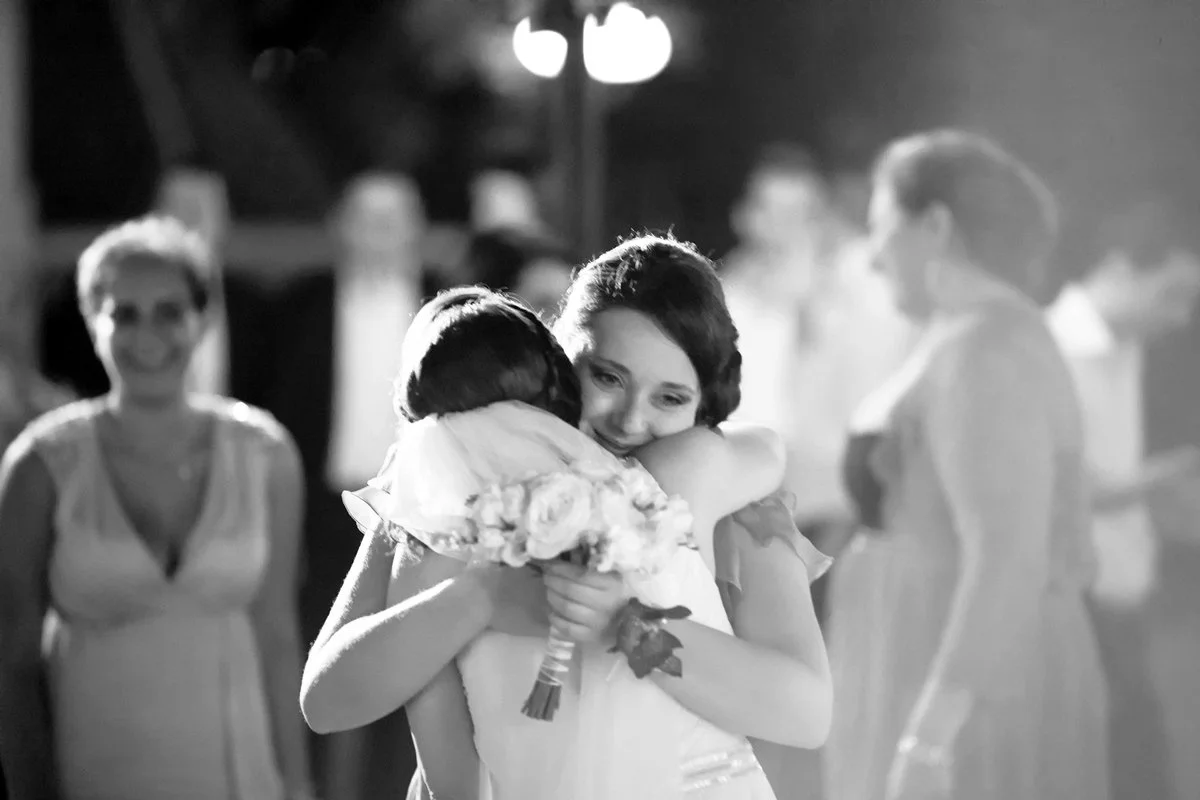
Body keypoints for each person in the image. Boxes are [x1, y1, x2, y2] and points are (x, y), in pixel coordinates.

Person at [300, 236, 832, 799]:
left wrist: (632, 627)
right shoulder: (446, 479)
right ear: (558, 356)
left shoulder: (729, 501)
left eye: (669, 399)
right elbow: (327, 699)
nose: (630, 419)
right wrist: (479, 597)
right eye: (607, 377)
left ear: (704, 405)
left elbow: (805, 714)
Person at [825, 130, 1109, 800]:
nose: (871, 258)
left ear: (936, 225)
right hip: (917, 659)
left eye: (880, 228)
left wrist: (929, 739)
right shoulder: (965, 336)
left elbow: (1009, 554)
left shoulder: (988, 349)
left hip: (964, 691)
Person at [0, 217, 314, 800]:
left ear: (203, 320)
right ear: (94, 323)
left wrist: (298, 786)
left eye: (170, 311)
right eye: (125, 313)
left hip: (241, 782)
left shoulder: (266, 454)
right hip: (92, 778)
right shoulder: (39, 466)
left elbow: (277, 637)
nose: (149, 335)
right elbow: (13, 663)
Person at [1046, 199, 1200, 800]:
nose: (1183, 316)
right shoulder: (1047, 349)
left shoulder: (1124, 345)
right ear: (1120, 269)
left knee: (1140, 761)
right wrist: (1170, 475)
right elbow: (1062, 488)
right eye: (1174, 293)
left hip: (1119, 593)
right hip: (1074, 598)